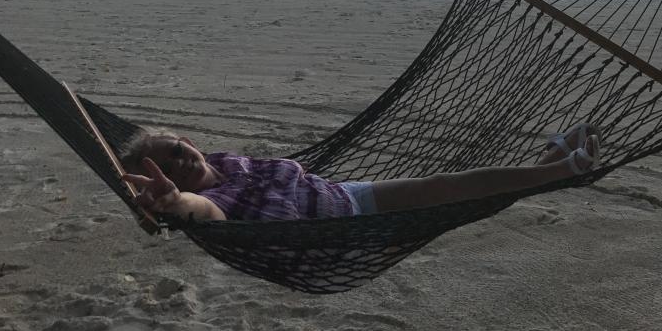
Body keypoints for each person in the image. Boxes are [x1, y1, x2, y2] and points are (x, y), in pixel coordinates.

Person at [120, 124, 601, 223]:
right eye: (169, 168)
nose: (181, 162)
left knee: (446, 183)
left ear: (189, 141)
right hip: (343, 224)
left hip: (343, 192)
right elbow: (205, 214)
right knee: (448, 193)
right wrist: (173, 201)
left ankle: (546, 170)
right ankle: (556, 170)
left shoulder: (225, 161)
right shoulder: (214, 201)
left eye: (178, 149)